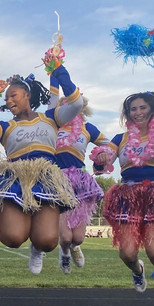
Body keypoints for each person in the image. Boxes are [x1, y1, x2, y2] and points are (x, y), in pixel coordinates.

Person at [0, 66, 81, 275]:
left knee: (48, 241)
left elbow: (76, 103)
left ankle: (37, 248)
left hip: (46, 180)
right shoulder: (6, 126)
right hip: (15, 180)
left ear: (28, 95)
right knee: (12, 238)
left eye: (13, 95)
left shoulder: (51, 118)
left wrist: (59, 69)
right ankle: (21, 227)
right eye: (6, 99)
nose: (9, 101)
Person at [94, 92, 154, 298]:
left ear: (153, 109)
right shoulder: (121, 138)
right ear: (128, 113)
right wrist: (100, 159)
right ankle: (138, 271)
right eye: (133, 109)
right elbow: (102, 165)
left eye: (143, 108)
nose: (138, 112)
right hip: (128, 197)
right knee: (127, 253)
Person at [49, 73, 107, 274]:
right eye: (64, 105)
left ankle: (75, 247)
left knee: (78, 237)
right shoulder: (53, 123)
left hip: (81, 183)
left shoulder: (87, 128)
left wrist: (101, 155)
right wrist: (54, 72)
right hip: (58, 182)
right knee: (65, 236)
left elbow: (108, 145)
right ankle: (64, 251)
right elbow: (52, 96)